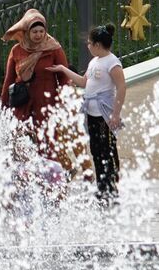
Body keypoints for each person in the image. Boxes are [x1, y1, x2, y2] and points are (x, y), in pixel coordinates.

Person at [51, 25, 125, 204]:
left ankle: (110, 188)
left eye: (90, 43)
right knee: (96, 150)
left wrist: (116, 114)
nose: (88, 46)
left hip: (104, 114)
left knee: (107, 151)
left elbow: (122, 87)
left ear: (98, 45)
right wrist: (63, 69)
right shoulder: (94, 62)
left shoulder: (112, 62)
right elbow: (83, 82)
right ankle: (102, 187)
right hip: (91, 113)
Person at [2, 9, 68, 141]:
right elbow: (9, 79)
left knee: (46, 139)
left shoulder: (54, 48)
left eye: (41, 32)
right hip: (23, 101)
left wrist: (64, 101)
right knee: (23, 140)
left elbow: (64, 76)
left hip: (46, 101)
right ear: (27, 32)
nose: (38, 35)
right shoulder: (17, 50)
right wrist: (4, 104)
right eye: (34, 32)